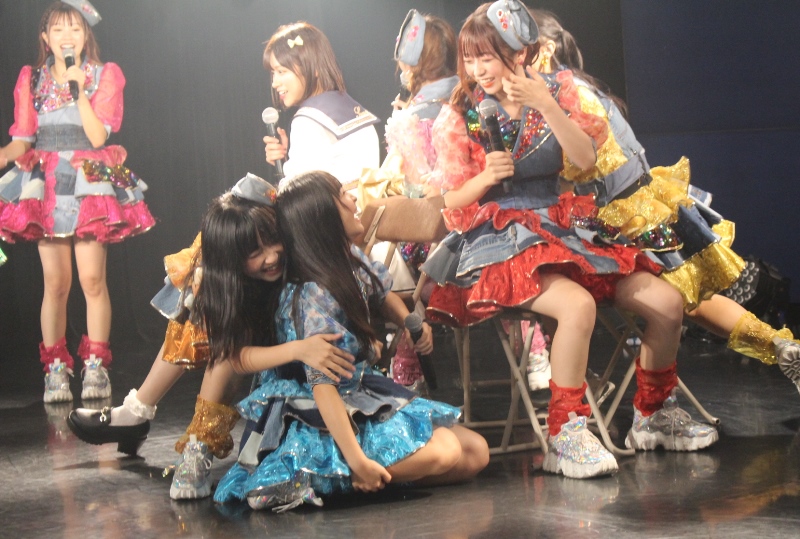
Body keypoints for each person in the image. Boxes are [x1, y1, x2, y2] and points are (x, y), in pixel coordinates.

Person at [420, 1, 718, 479]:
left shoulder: (559, 90)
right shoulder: (461, 113)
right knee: (576, 306)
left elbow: (584, 159)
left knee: (666, 302)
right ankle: (566, 434)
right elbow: (447, 200)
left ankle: (652, 414)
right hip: (502, 238)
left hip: (564, 224)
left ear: (520, 53)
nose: (478, 70)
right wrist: (484, 180)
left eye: (487, 57)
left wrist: (547, 105)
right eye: (470, 60)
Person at [528, 8, 800, 394]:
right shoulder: (584, 88)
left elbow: (577, 167)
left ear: (541, 49)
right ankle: (779, 346)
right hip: (647, 200)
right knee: (693, 299)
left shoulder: (563, 96)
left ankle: (590, 385)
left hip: (619, 218)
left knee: (558, 278)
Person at [68, 173, 358, 500]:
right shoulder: (222, 278)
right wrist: (298, 349)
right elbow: (232, 354)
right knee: (212, 332)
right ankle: (191, 442)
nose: (272, 256)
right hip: (275, 351)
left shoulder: (297, 238)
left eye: (273, 240)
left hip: (306, 351)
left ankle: (153, 421)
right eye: (254, 252)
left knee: (222, 337)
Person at [213, 171, 489, 511]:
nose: (353, 198)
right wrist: (357, 461)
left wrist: (410, 322)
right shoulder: (312, 294)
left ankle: (365, 480)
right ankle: (311, 475)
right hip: (319, 411)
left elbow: (381, 293)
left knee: (475, 454)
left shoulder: (348, 259)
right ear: (323, 217)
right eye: (342, 195)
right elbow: (322, 384)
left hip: (358, 390)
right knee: (445, 451)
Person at [0, 1, 155, 403]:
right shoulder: (31, 79)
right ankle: (55, 369)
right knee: (55, 282)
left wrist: (79, 90)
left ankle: (96, 367)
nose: (66, 36)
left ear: (86, 36)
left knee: (92, 280)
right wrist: (3, 156)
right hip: (47, 182)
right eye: (58, 29)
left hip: (89, 179)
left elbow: (98, 136)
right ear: (45, 38)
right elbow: (23, 139)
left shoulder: (105, 75)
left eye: (75, 28)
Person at [360, 9, 461, 394]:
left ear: (416, 62)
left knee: (396, 251)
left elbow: (417, 188)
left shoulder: (411, 117)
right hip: (479, 223)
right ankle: (534, 349)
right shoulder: (467, 99)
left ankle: (405, 364)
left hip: (438, 235)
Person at [262, 22, 380, 192]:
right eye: (273, 73)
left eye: (281, 72)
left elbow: (303, 197)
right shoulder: (357, 114)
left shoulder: (307, 121)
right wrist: (291, 156)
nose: (274, 83)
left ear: (314, 68)